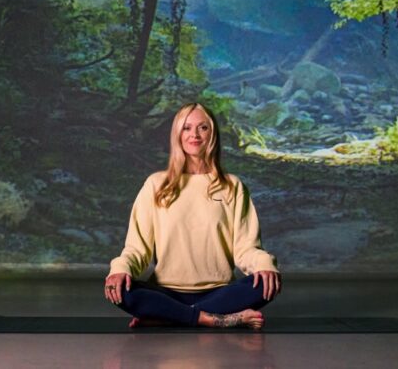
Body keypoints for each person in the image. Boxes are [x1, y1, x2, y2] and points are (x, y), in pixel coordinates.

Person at [103, 102, 281, 330]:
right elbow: (137, 249)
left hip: (219, 292)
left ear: (212, 134)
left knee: (264, 284)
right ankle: (211, 319)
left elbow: (245, 248)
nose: (194, 135)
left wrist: (264, 265)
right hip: (166, 292)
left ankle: (168, 316)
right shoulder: (156, 184)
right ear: (177, 134)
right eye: (186, 128)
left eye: (202, 128)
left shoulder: (232, 186)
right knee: (121, 291)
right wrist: (120, 270)